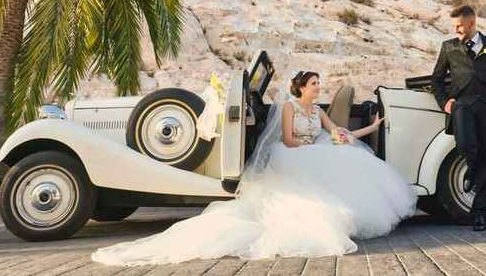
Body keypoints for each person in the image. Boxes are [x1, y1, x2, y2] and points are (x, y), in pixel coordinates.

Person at [91, 71, 418, 265]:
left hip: (314, 151)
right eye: (315, 84)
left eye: (319, 83)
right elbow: (289, 140)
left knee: (350, 158)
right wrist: (312, 146)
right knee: (316, 171)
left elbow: (337, 134)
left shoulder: (317, 111)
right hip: (295, 153)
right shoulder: (289, 108)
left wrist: (370, 130)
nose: (319, 88)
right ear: (302, 87)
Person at [431, 5, 486, 231]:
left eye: (459, 26)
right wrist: (445, 102)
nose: (456, 30)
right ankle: (472, 171)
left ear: (471, 23)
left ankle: (480, 213)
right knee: (466, 143)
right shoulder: (449, 47)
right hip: (462, 105)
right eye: (454, 26)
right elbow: (437, 80)